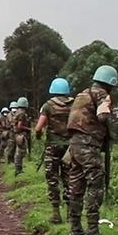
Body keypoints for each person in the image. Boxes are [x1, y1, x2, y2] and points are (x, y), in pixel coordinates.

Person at [66, 65, 118, 235]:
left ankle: (74, 228)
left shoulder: (82, 94)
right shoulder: (101, 94)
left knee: (76, 186)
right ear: (110, 82)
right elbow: (103, 116)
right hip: (88, 144)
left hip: (74, 145)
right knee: (95, 185)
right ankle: (93, 231)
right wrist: (110, 128)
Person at [35, 78, 74, 223]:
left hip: (53, 147)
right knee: (69, 179)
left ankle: (56, 214)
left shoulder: (48, 106)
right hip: (70, 148)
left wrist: (38, 135)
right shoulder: (74, 104)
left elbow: (39, 127)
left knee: (52, 180)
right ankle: (71, 214)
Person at [12, 97, 31, 174]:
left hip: (17, 134)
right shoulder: (22, 113)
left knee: (18, 152)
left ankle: (18, 169)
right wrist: (29, 129)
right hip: (21, 135)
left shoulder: (17, 112)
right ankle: (18, 170)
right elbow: (20, 126)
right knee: (20, 152)